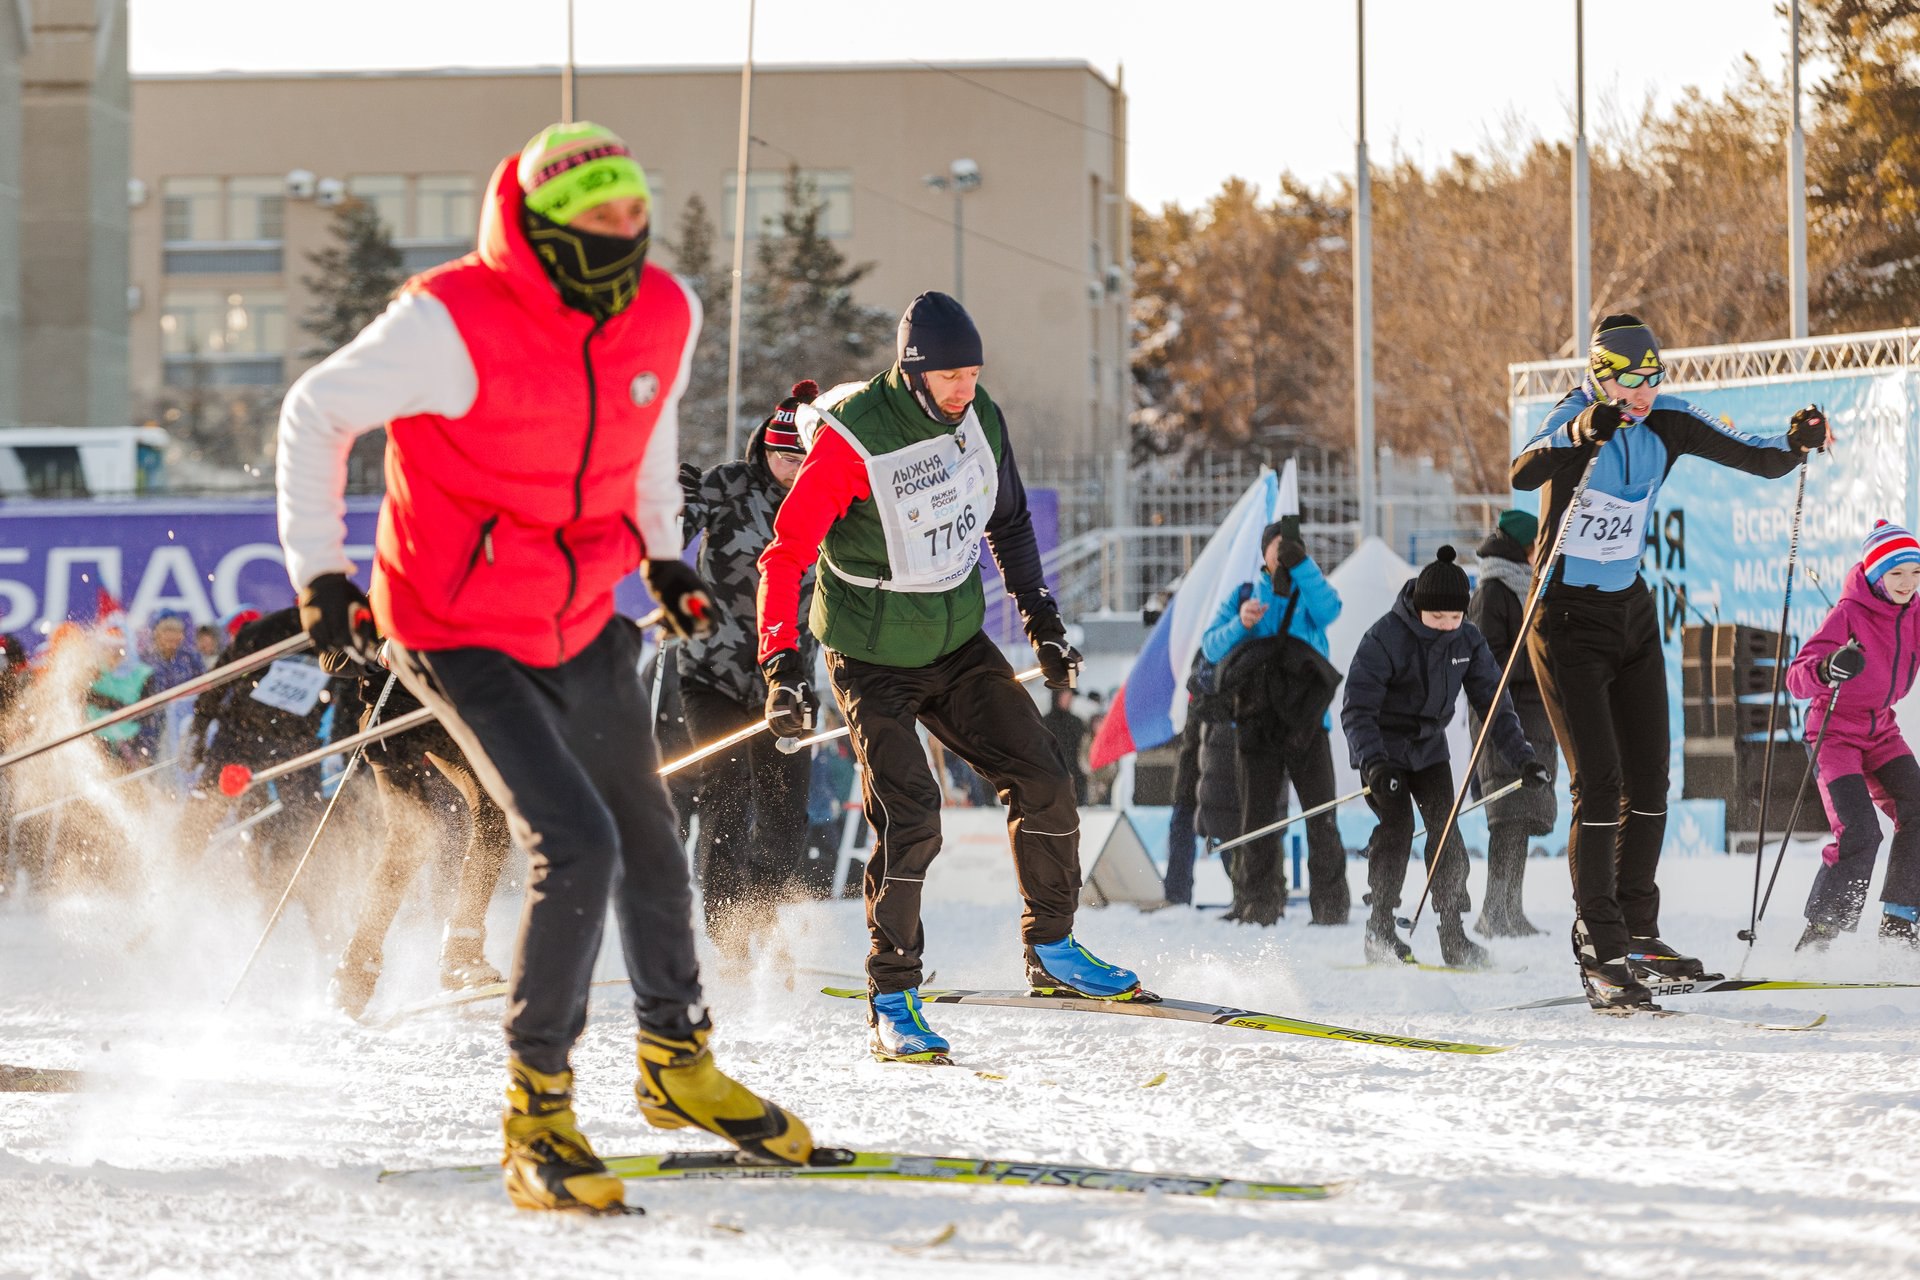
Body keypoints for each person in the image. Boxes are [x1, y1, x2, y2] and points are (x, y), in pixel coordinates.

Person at [275, 121, 811, 1212]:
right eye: (598, 219)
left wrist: (661, 554)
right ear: (539, 231)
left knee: (648, 827)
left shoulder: (667, 307)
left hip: (576, 610)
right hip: (452, 618)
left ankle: (674, 1056)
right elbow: (313, 411)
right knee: (575, 841)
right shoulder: (447, 319)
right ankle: (539, 1109)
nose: (625, 235)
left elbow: (646, 423)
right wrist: (321, 572)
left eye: (634, 214)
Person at [756, 290, 1142, 1064]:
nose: (964, 390)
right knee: (912, 815)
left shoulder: (979, 418)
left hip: (957, 640)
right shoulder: (854, 441)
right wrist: (780, 666)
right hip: (871, 655)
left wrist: (1044, 623)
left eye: (973, 374)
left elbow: (1008, 520)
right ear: (913, 371)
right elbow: (786, 554)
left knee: (1042, 775)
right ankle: (893, 996)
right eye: (951, 377)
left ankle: (1053, 949)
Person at [1514, 313, 1830, 1007]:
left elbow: (1758, 454)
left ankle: (1635, 931)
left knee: (1651, 780)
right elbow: (1523, 470)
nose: (1645, 394)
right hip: (1564, 622)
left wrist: (1799, 441)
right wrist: (1583, 431)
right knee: (1598, 783)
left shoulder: (1667, 420)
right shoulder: (1577, 415)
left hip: (1629, 614)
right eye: (1631, 383)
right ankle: (1597, 942)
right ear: (1602, 378)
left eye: (1655, 379)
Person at [1341, 546, 1549, 969]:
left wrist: (1523, 757)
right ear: (1419, 609)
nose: (1446, 626)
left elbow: (1494, 704)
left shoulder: (1467, 639)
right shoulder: (1384, 638)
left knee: (1446, 836)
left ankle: (1453, 934)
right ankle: (1379, 930)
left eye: (1454, 618)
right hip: (1384, 751)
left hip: (1429, 750)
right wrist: (1374, 763)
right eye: (1437, 618)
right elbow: (1356, 708)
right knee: (1397, 830)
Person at [676, 381, 819, 960]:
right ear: (764, 448)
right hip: (711, 671)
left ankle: (761, 916)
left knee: (787, 806)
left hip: (788, 677)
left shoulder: (824, 495)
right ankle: (724, 927)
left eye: (803, 458)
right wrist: (676, 503)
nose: (792, 468)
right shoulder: (727, 484)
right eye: (784, 456)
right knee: (727, 792)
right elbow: (672, 537)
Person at [326, 652, 514, 1019]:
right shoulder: (379, 601)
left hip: (443, 714)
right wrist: (377, 652)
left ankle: (462, 951)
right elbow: (330, 656)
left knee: (495, 814)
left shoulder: (464, 597)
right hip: (391, 715)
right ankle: (356, 966)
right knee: (412, 834)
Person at [1202, 516, 1347, 925]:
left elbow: (1331, 609)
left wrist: (1303, 566)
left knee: (1323, 814)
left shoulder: (1309, 587)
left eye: (1291, 545)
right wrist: (1240, 622)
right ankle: (1259, 903)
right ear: (1262, 551)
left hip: (1307, 722)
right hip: (1257, 720)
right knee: (1257, 817)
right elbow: (1211, 647)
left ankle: (1331, 905)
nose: (1283, 552)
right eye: (1277, 546)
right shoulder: (1244, 594)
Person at [1785, 520, 1920, 952]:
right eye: (1896, 573)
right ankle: (1822, 932)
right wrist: (1828, 670)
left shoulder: (1915, 612)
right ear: (1877, 573)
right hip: (1834, 734)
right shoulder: (1848, 613)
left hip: (1881, 730)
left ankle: (1900, 923)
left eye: (1916, 573)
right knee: (1861, 831)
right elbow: (1796, 679)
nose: (1907, 583)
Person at [1466, 509, 1555, 937]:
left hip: (1532, 715)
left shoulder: (1526, 589)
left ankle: (1510, 909)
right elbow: (1484, 664)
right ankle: (1493, 912)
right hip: (1503, 720)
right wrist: (1535, 658)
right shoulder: (1492, 593)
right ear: (1523, 546)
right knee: (1506, 818)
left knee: (1521, 818)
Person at [1042, 689, 1089, 805]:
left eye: (1070, 697)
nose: (1068, 700)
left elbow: (1083, 750)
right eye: (1065, 696)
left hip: (1075, 779)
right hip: (1052, 778)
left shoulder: (1077, 722)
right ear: (1056, 696)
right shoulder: (1045, 722)